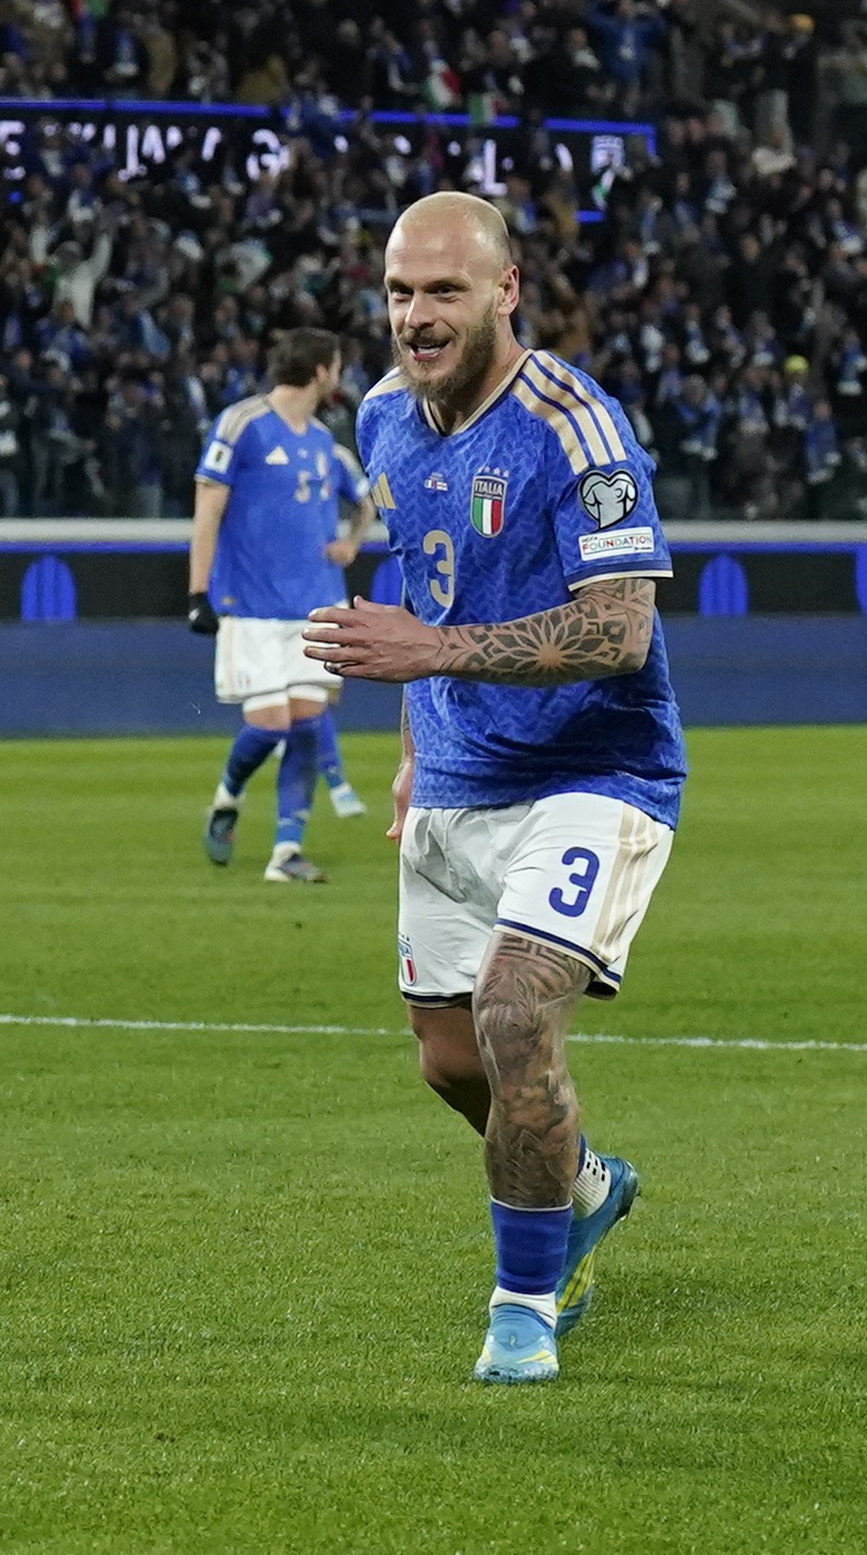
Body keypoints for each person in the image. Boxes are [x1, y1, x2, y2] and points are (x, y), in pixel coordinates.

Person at [302, 191, 682, 1386]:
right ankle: (579, 1183)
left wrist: (431, 655)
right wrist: (419, 748)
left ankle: (523, 1308)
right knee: (451, 1060)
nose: (417, 316)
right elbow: (438, 580)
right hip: (458, 780)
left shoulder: (575, 430)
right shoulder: (382, 420)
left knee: (516, 1012)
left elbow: (621, 630)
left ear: (506, 292)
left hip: (594, 773)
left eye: (445, 292)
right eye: (402, 292)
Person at [186, 328, 372, 880]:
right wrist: (197, 592)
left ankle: (286, 853)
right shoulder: (240, 424)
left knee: (308, 725)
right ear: (321, 370)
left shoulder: (322, 442)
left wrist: (351, 543)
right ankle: (227, 797)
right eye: (336, 366)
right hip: (253, 606)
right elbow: (207, 511)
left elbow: (365, 504)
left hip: (316, 606)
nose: (339, 376)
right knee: (270, 725)